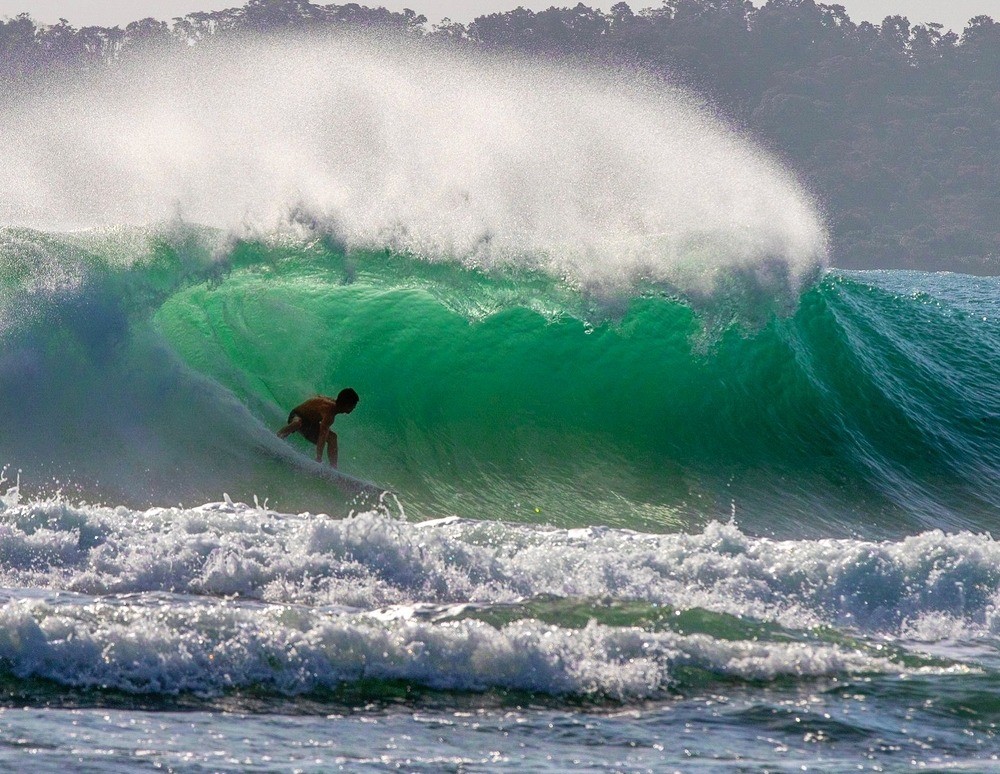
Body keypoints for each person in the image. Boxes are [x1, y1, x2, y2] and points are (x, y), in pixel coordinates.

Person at [277, 388, 359, 468]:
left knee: (333, 437)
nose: (354, 408)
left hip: (309, 424)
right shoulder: (329, 412)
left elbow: (317, 396)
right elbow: (322, 435)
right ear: (347, 405)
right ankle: (278, 437)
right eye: (353, 406)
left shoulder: (333, 403)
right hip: (296, 415)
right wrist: (318, 458)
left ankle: (334, 467)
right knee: (297, 423)